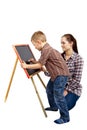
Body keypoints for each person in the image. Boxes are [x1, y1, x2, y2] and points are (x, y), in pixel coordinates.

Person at [21, 31, 70, 124]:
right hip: (55, 75)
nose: (35, 47)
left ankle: (65, 117)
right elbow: (41, 62)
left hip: (61, 75)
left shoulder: (46, 50)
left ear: (39, 42)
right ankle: (54, 107)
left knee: (58, 95)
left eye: (35, 45)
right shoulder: (46, 50)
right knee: (49, 90)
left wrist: (26, 66)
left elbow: (40, 64)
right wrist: (34, 61)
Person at [61, 34, 84, 111]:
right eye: (61, 43)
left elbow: (77, 80)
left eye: (63, 43)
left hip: (73, 89)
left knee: (64, 106)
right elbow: (53, 73)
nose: (61, 45)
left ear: (71, 43)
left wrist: (66, 90)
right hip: (61, 87)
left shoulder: (78, 59)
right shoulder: (60, 57)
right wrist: (43, 69)